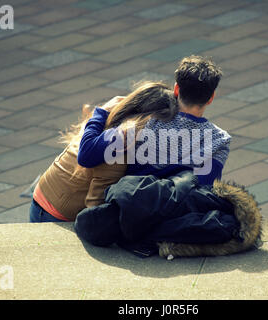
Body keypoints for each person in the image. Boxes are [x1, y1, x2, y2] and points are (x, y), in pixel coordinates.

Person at [29, 82, 178, 223]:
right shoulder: (123, 142)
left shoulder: (118, 120)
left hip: (48, 193)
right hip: (54, 211)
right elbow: (95, 204)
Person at [78, 55, 231, 186]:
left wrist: (101, 112)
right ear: (210, 98)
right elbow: (204, 188)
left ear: (176, 89)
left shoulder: (144, 122)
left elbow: (86, 154)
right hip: (179, 217)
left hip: (133, 208)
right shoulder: (219, 140)